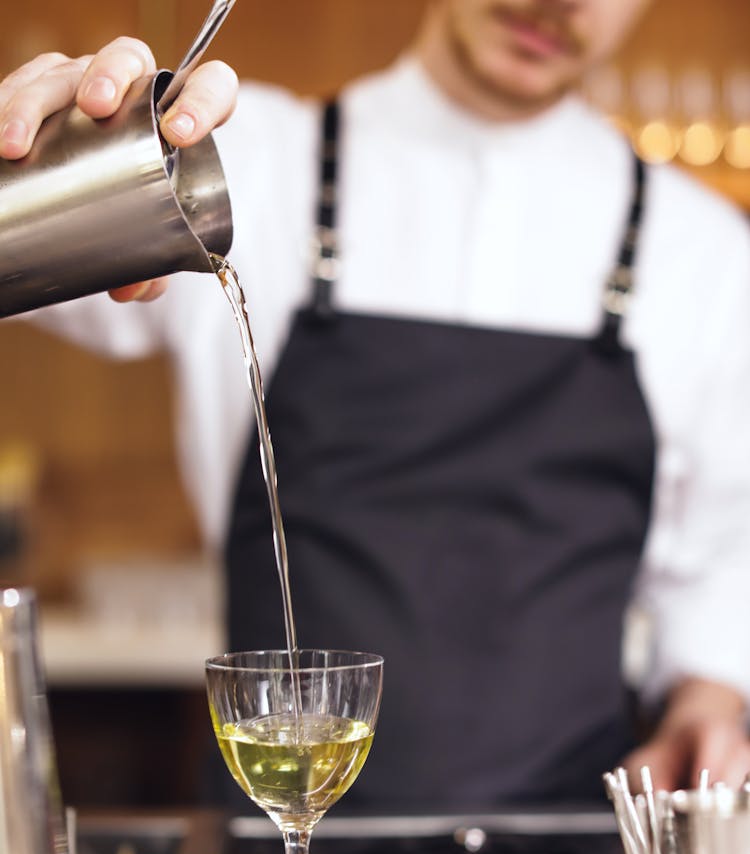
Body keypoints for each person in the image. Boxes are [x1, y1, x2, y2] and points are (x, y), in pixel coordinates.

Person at [2, 0, 750, 809]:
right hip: (282, 840)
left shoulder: (702, 250)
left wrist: (709, 694)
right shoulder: (241, 161)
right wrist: (43, 155)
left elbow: (720, 549)